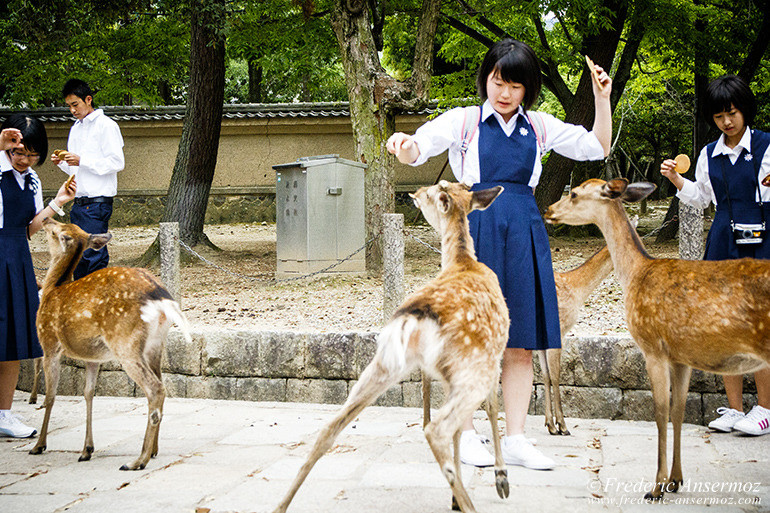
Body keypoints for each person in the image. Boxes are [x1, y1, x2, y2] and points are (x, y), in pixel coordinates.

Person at [387, 39, 612, 469]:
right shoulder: (465, 122)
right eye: (497, 81)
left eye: (514, 85)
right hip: (479, 233)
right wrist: (404, 144)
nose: (504, 92)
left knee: (521, 342)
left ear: (528, 89)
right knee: (473, 336)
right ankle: (467, 432)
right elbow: (420, 149)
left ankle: (515, 439)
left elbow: (596, 147)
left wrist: (602, 100)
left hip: (526, 232)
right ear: (486, 79)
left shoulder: (541, 127)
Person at [661, 74, 770, 436]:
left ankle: (765, 409)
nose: (727, 121)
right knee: (724, 324)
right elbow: (702, 198)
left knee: (760, 326)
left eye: (733, 113)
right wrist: (678, 182)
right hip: (723, 239)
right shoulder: (709, 154)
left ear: (745, 111)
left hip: (761, 238)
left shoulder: (767, 147)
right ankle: (736, 410)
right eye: (720, 116)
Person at [0, 114, 77, 437]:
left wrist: (58, 202)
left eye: (32, 154)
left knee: (12, 340)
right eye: (18, 152)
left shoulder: (31, 179)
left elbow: (31, 227)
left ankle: (4, 415)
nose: (24, 159)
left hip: (16, 257)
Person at [51, 78, 124, 280]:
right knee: (78, 256)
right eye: (69, 106)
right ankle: (83, 301)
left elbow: (117, 163)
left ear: (88, 99)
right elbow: (77, 169)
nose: (73, 110)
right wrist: (63, 163)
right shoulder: (76, 128)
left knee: (93, 254)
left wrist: (82, 160)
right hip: (79, 202)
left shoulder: (106, 126)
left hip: (97, 202)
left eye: (76, 104)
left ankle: (97, 302)